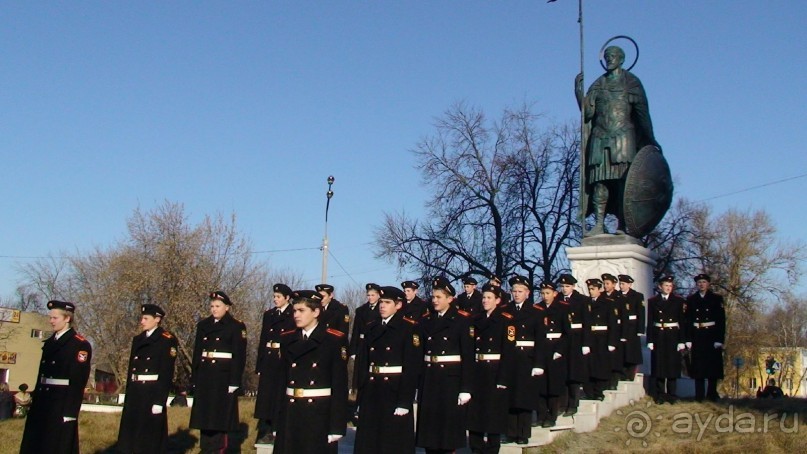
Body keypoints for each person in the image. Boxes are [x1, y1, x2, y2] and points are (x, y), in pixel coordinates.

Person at [575, 45, 661, 235]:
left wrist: (650, 137)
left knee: (624, 182)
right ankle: (599, 223)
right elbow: (587, 113)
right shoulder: (598, 84)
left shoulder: (631, 83)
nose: (609, 59)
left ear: (621, 59)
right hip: (600, 136)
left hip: (623, 137)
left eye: (613, 56)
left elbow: (642, 113)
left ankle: (622, 224)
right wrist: (579, 92)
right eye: (607, 56)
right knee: (599, 181)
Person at [273, 290, 348, 454]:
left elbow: (339, 385)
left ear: (316, 312)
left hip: (318, 414)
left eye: (301, 310)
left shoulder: (334, 340)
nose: (296, 315)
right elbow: (281, 382)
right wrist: (276, 421)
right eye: (294, 311)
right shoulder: (287, 338)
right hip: (290, 412)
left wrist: (336, 426)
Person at [353, 286, 422, 454]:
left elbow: (411, 367)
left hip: (394, 390)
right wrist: (360, 395)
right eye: (381, 302)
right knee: (369, 441)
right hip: (372, 390)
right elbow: (363, 364)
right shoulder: (371, 327)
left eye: (387, 302)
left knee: (392, 442)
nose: (382, 306)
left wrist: (404, 401)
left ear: (398, 305)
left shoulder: (408, 328)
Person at [20, 300, 92, 454]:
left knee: (57, 445)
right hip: (43, 402)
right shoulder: (49, 343)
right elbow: (41, 374)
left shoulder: (79, 344)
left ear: (67, 318)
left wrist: (70, 412)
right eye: (50, 317)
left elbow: (78, 381)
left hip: (60, 403)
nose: (51, 321)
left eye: (55, 318)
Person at [416, 277, 474, 454]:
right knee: (429, 431)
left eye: (439, 297)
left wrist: (466, 388)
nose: (434, 300)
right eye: (433, 297)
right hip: (429, 378)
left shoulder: (461, 320)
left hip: (450, 380)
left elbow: (468, 356)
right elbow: (419, 353)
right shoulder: (425, 320)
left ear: (450, 299)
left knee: (447, 432)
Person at [189, 291, 247, 453]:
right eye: (212, 306)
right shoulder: (203, 325)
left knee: (219, 417)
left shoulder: (236, 326)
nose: (214, 309)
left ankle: (217, 448)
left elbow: (239, 355)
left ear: (226, 307)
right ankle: (205, 447)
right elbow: (197, 353)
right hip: (205, 375)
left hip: (223, 377)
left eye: (218, 306)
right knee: (204, 415)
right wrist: (195, 377)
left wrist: (234, 381)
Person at [117, 304, 178, 454]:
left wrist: (159, 401)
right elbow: (132, 368)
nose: (142, 322)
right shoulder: (138, 339)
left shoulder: (166, 339)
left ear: (157, 319)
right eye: (142, 318)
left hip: (151, 392)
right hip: (136, 391)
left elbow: (166, 372)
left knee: (149, 437)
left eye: (146, 318)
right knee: (131, 435)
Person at [467, 284, 515, 453]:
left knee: (494, 411)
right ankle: (476, 446)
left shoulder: (506, 320)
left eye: (489, 298)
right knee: (475, 411)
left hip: (495, 370)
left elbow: (508, 352)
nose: (485, 301)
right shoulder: (475, 319)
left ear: (498, 300)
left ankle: (493, 447)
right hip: (478, 369)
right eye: (484, 297)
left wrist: (503, 378)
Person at [254, 283, 296, 444]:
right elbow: (263, 338)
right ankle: (264, 428)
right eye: (274, 296)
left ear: (287, 298)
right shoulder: (269, 314)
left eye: (278, 297)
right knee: (266, 395)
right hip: (269, 358)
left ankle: (276, 429)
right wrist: (260, 363)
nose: (275, 299)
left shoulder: (292, 314)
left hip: (281, 359)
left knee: (278, 395)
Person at [504, 275, 544, 445]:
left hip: (527, 358)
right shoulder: (505, 311)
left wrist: (538, 364)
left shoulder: (536, 312)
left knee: (525, 397)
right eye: (514, 291)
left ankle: (523, 433)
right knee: (510, 397)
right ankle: (510, 431)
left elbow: (541, 340)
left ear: (527, 293)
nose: (517, 294)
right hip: (510, 358)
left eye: (520, 291)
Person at [534, 282, 570, 428]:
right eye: (542, 293)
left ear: (555, 294)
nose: (545, 296)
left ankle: (552, 415)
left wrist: (560, 350)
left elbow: (567, 333)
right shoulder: (537, 308)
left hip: (555, 349)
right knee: (540, 384)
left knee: (554, 385)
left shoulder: (562, 308)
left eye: (548, 293)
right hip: (541, 348)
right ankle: (541, 415)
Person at [685, 273, 726, 402]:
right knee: (698, 367)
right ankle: (699, 395)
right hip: (697, 334)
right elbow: (688, 320)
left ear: (708, 284)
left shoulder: (716, 299)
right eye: (699, 282)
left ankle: (712, 394)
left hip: (711, 335)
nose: (701, 284)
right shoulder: (691, 299)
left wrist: (719, 339)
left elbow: (721, 321)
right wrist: (688, 338)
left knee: (712, 366)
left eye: (704, 282)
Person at [646, 276, 686, 404]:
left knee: (672, 366)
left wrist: (682, 340)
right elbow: (650, 321)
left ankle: (672, 395)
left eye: (670, 286)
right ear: (660, 287)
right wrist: (650, 340)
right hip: (658, 335)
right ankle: (660, 395)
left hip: (672, 335)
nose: (668, 288)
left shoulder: (678, 301)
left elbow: (682, 321)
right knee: (659, 366)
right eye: (666, 285)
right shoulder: (653, 301)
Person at [557, 274, 590, 416]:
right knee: (562, 372)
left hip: (577, 339)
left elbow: (587, 323)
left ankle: (573, 403)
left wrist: (586, 343)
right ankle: (562, 403)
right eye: (562, 286)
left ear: (573, 286)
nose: (564, 289)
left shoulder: (582, 300)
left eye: (567, 286)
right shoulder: (557, 299)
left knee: (574, 373)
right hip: (562, 339)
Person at [583, 279, 618, 401]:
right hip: (589, 337)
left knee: (600, 366)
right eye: (589, 289)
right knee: (589, 366)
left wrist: (612, 342)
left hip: (602, 338)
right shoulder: (585, 303)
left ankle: (598, 391)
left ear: (599, 289)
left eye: (593, 289)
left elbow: (613, 324)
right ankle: (589, 392)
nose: (591, 291)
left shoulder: (607, 303)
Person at [618, 274, 645, 380]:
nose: (621, 286)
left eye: (623, 284)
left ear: (629, 285)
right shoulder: (617, 296)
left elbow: (641, 313)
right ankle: (622, 373)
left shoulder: (637, 296)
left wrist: (640, 329)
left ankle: (630, 374)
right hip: (620, 327)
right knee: (622, 351)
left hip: (632, 327)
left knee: (632, 352)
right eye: (620, 284)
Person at [601, 273, 625, 388]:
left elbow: (624, 317)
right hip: (605, 331)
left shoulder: (619, 297)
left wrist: (624, 334)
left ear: (614, 284)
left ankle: (614, 381)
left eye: (608, 283)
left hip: (617, 330)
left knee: (615, 358)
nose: (605, 286)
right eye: (604, 283)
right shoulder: (601, 297)